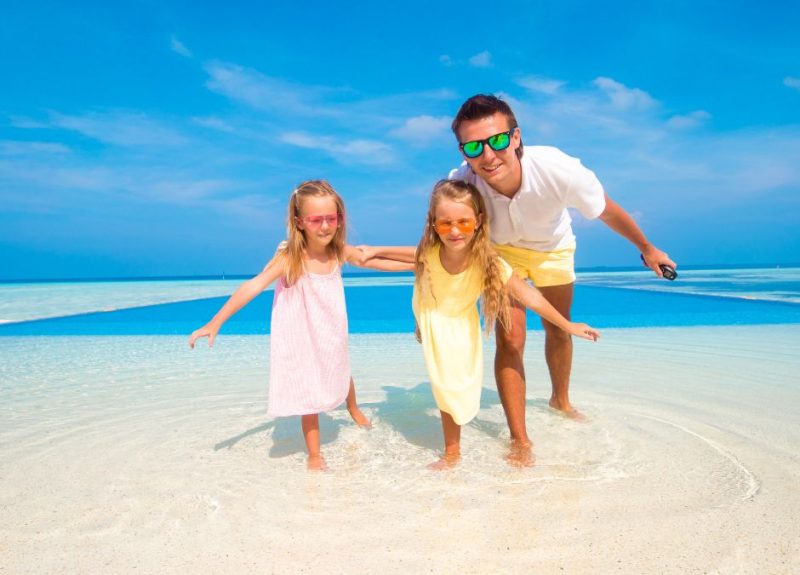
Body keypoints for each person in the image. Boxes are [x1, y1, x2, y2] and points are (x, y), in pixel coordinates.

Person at [448, 93, 675, 453]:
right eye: (474, 147)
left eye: (498, 141)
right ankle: (519, 439)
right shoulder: (461, 186)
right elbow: (443, 236)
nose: (488, 155)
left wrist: (647, 248)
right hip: (500, 252)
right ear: (464, 153)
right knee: (510, 339)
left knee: (558, 326)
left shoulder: (558, 168)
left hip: (552, 248)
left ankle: (561, 401)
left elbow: (607, 210)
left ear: (516, 137)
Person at [362, 180, 599, 469]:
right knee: (443, 385)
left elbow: (530, 297)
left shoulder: (490, 262)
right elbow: (388, 257)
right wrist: (361, 253)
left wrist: (567, 325)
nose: (455, 230)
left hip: (461, 327)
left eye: (463, 221)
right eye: (446, 223)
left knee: (458, 387)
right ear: (434, 224)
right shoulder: (429, 252)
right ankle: (452, 452)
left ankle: (480, 446)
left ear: (478, 222)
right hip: (434, 320)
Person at [188, 179, 412, 470]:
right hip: (302, 330)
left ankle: (352, 407)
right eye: (316, 219)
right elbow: (253, 286)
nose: (324, 226)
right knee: (310, 391)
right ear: (299, 222)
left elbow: (375, 261)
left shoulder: (337, 250)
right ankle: (315, 455)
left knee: (339, 366)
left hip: (330, 324)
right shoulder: (290, 257)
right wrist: (215, 322)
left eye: (331, 218)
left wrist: (418, 265)